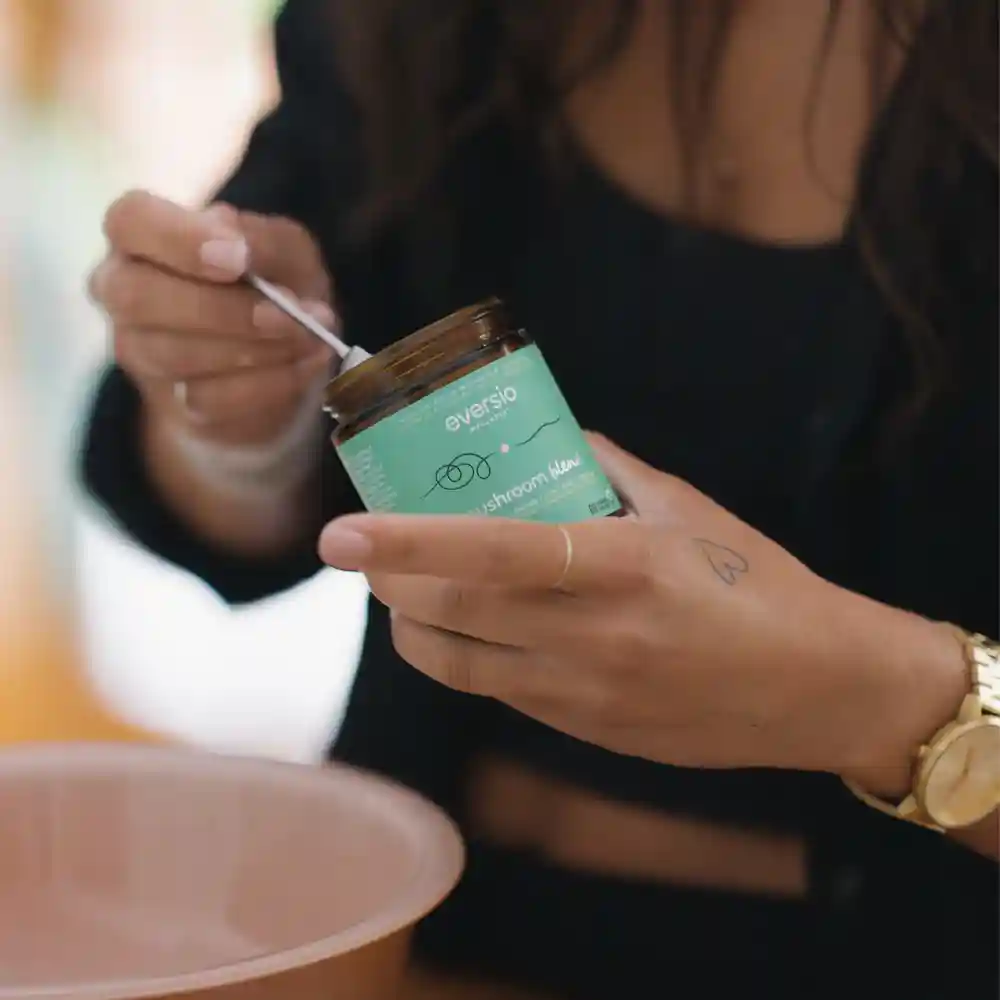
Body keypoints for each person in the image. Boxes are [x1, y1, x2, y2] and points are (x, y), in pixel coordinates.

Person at [83, 1, 998, 997]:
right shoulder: (412, 29)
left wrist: (887, 705)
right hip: (409, 952)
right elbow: (231, 515)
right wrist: (242, 425)